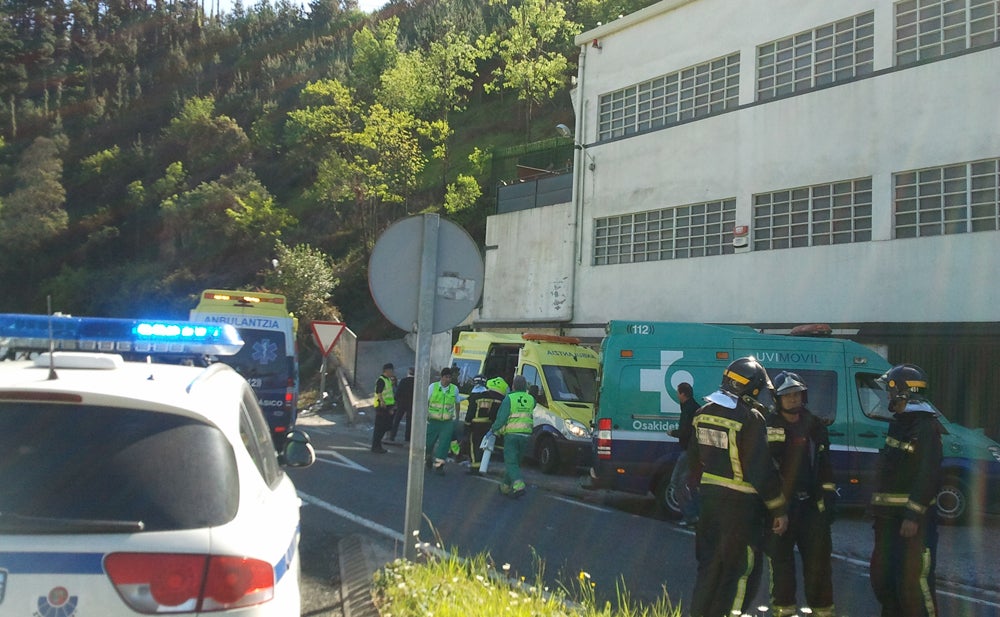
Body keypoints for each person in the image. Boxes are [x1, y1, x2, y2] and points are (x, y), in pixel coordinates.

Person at [688, 356, 788, 617]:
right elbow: (760, 469)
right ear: (751, 388)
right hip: (741, 509)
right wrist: (778, 509)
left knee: (709, 569)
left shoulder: (702, 414)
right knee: (740, 572)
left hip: (709, 504)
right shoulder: (750, 417)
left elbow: (693, 462)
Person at [870, 364, 943, 617]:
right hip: (889, 520)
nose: (887, 397)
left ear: (901, 393)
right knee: (886, 582)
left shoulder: (924, 427)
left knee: (915, 585)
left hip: (912, 524)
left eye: (890, 392)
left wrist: (913, 515)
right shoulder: (901, 423)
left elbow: (928, 474)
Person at [765, 371, 837, 617]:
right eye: (788, 395)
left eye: (797, 394)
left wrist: (827, 500)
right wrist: (777, 509)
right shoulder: (770, 425)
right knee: (782, 566)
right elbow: (768, 471)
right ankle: (784, 612)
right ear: (778, 399)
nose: (794, 399)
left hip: (812, 508)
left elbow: (825, 465)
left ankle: (823, 612)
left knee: (819, 567)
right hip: (783, 509)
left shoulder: (815, 425)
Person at [489, 374, 535, 498]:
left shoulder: (509, 399)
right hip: (526, 435)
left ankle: (518, 485)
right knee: (516, 462)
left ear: (513, 386)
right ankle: (505, 486)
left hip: (512, 435)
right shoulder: (531, 399)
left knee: (510, 461)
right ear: (525, 386)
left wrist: (493, 429)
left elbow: (502, 417)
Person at [668, 381, 700, 526]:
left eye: (678, 392)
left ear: (682, 393)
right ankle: (696, 514)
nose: (677, 395)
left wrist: (673, 433)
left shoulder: (689, 410)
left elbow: (686, 431)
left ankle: (691, 516)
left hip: (689, 451)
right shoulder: (694, 408)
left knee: (677, 482)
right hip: (693, 451)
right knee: (692, 485)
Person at [465, 375, 508, 472]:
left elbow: (470, 412)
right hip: (487, 424)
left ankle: (475, 467)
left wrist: (467, 424)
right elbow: (493, 412)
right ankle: (482, 467)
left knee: (474, 445)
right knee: (483, 445)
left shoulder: (474, 396)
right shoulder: (491, 396)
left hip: (475, 424)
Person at [426, 367, 460, 474]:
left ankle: (439, 466)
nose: (448, 379)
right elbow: (425, 401)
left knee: (444, 445)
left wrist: (457, 417)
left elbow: (457, 403)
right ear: (441, 377)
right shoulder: (433, 387)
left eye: (450, 377)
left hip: (447, 422)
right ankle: (428, 457)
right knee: (428, 443)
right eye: (446, 377)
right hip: (433, 421)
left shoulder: (454, 389)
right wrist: (425, 416)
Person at [371, 363, 395, 453]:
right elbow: (379, 392)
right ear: (387, 371)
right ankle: (376, 446)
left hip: (387, 407)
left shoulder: (388, 380)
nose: (392, 372)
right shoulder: (381, 380)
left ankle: (378, 445)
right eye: (391, 371)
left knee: (386, 426)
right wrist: (382, 401)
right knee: (380, 427)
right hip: (381, 407)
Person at [388, 367, 414, 443]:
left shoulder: (403, 381)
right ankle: (407, 438)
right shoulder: (416, 382)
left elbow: (398, 392)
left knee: (397, 420)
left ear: (408, 373)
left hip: (402, 403)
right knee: (409, 421)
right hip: (411, 403)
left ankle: (392, 436)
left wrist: (395, 402)